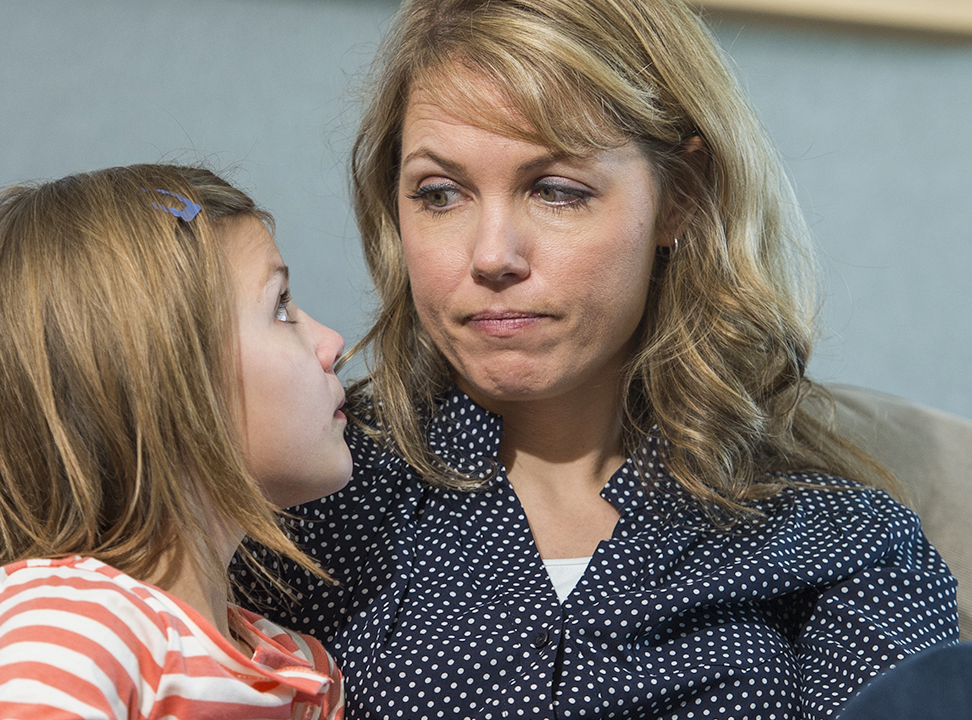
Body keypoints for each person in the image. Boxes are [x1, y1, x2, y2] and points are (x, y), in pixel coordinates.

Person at [234, 1, 960, 718]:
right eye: (440, 193)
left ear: (681, 198)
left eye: (556, 192)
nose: (491, 257)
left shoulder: (845, 546)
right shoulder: (287, 510)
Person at [0, 164, 349, 720]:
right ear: (164, 383)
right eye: (280, 306)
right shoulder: (65, 628)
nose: (333, 343)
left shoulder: (303, 671)